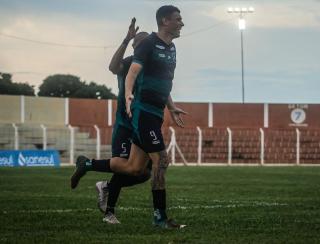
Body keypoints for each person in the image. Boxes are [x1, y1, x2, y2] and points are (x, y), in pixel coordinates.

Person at [71, 5, 186, 229]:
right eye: (178, 19)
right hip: (133, 118)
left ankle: (88, 164)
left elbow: (162, 83)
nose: (182, 23)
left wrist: (170, 106)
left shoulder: (169, 49)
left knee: (135, 169)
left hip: (149, 113)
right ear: (164, 21)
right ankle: (155, 217)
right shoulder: (138, 55)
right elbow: (122, 70)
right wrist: (128, 94)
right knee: (160, 161)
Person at [71, 19, 151, 224]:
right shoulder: (130, 62)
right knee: (124, 166)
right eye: (140, 42)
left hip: (143, 123)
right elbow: (112, 66)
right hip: (126, 124)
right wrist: (126, 39)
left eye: (147, 42)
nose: (144, 45)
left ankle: (94, 172)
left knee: (143, 173)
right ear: (135, 46)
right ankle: (109, 213)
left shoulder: (153, 64)